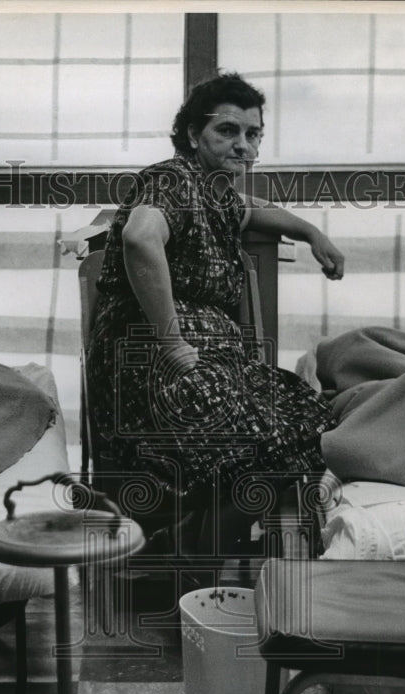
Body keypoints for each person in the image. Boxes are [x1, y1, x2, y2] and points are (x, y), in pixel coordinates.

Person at [85, 72, 344, 516]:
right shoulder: (172, 180)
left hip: (211, 364)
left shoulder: (215, 193)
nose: (243, 145)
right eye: (227, 131)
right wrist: (171, 341)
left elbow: (253, 210)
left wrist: (311, 232)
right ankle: (196, 546)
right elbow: (140, 238)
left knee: (306, 414)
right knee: (256, 435)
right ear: (192, 134)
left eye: (253, 134)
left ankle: (209, 546)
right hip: (154, 361)